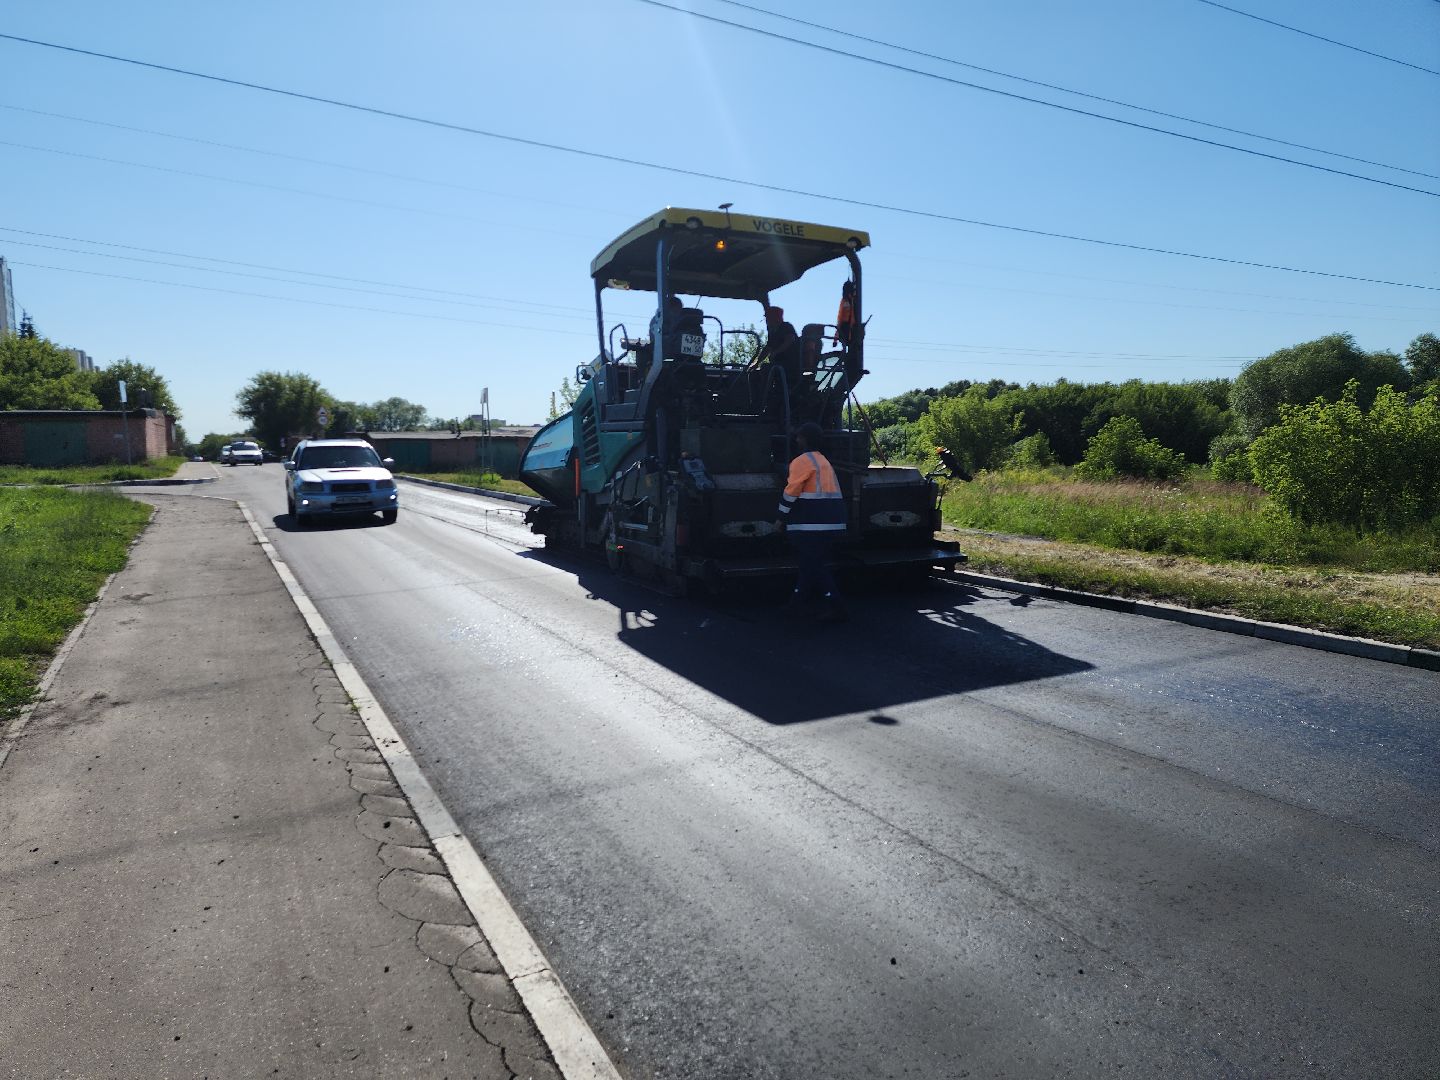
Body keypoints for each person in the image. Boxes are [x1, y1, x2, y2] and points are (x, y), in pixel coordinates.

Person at [775, 422, 848, 622]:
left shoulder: (801, 461)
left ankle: (836, 606)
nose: (796, 440)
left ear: (804, 439)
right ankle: (795, 605)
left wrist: (781, 518)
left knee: (814, 565)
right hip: (831, 521)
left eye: (798, 437)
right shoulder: (822, 461)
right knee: (810, 565)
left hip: (811, 523)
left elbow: (791, 492)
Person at [832, 280, 856, 349]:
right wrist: (835, 339)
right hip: (846, 328)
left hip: (852, 328)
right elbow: (840, 319)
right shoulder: (845, 301)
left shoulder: (852, 300)